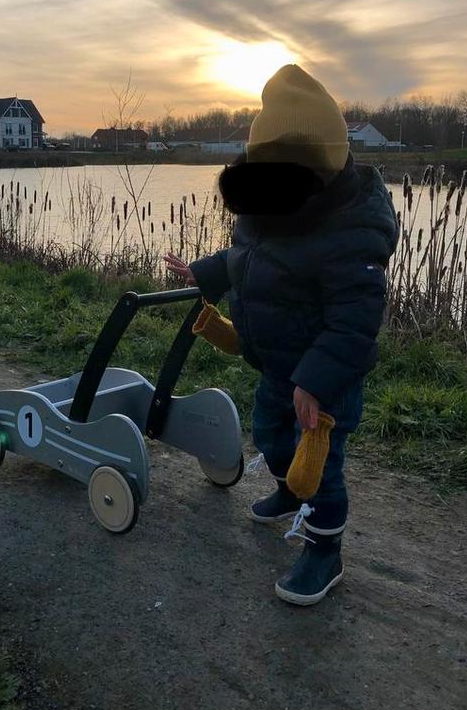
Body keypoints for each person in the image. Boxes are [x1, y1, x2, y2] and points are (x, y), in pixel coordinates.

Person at [164, 64, 398, 606]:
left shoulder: (351, 232)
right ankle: (288, 491)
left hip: (324, 382)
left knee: (320, 470)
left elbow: (355, 323)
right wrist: (204, 272)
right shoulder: (268, 208)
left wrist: (315, 382)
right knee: (270, 438)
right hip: (275, 366)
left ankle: (324, 551)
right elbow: (244, 256)